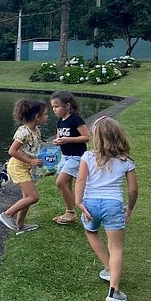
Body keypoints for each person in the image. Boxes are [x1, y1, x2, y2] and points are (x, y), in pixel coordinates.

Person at [76, 116, 138, 301]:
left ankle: (107, 266)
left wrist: (78, 202)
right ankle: (114, 290)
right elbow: (133, 190)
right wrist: (129, 208)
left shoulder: (87, 157)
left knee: (90, 231)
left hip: (91, 203)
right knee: (116, 248)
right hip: (113, 205)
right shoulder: (126, 161)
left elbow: (80, 180)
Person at [0, 99, 48, 234]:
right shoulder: (23, 132)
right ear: (37, 117)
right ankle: (7, 214)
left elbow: (33, 147)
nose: (47, 117)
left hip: (25, 167)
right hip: (17, 167)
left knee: (27, 197)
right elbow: (12, 151)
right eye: (45, 114)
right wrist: (30, 161)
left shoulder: (35, 129)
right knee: (33, 197)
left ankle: (20, 226)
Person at [50, 91, 90, 225]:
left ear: (67, 106)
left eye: (57, 106)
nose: (54, 109)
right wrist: (57, 141)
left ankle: (71, 212)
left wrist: (68, 140)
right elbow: (58, 136)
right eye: (53, 107)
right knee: (66, 184)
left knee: (60, 182)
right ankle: (70, 211)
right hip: (65, 156)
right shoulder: (60, 121)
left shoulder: (75, 119)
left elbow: (86, 137)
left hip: (76, 157)